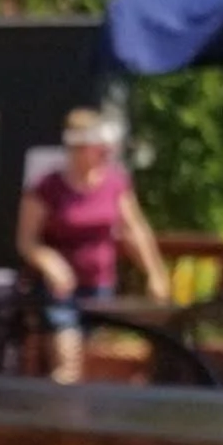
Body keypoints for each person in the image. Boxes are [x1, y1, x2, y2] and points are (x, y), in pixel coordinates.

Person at [16, 108, 170, 382]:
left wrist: (155, 273)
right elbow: (27, 240)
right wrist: (49, 262)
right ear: (77, 148)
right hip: (59, 290)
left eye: (106, 148)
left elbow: (135, 229)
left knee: (96, 361)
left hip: (100, 286)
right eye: (98, 148)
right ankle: (59, 420)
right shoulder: (47, 186)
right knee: (68, 358)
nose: (105, 154)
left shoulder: (115, 183)